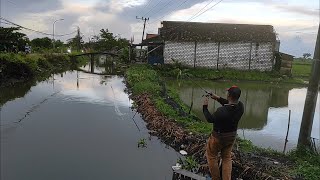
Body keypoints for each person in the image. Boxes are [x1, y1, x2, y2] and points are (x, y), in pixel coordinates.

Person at [203, 85, 244, 180]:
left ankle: (216, 178)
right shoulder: (240, 106)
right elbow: (230, 104)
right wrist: (217, 98)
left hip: (218, 138)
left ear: (229, 95)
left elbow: (210, 119)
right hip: (231, 137)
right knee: (226, 158)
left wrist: (205, 107)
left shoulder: (221, 111)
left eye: (227, 93)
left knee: (212, 156)